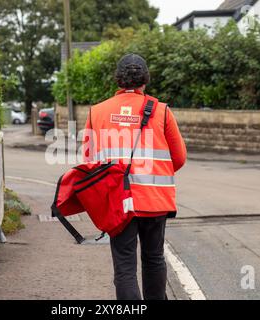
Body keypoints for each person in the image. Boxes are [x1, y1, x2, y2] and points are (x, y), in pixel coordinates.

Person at [83, 54, 187, 300]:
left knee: (125, 267)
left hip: (118, 202)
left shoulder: (96, 112)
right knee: (154, 258)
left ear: (118, 80)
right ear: (145, 80)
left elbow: (89, 159)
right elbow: (179, 157)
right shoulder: (161, 111)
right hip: (155, 201)